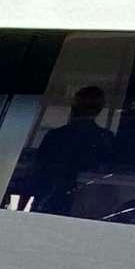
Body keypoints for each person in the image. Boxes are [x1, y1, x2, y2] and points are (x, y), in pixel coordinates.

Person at [29, 85, 119, 216]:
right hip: (82, 202)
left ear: (74, 106)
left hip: (56, 197)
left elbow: (38, 169)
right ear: (99, 110)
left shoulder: (56, 135)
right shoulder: (106, 138)